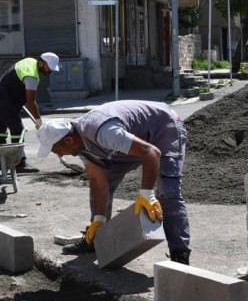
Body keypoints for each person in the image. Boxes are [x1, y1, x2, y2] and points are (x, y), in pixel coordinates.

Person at [36, 100, 191, 265]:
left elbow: (151, 152)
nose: (59, 154)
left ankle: (179, 254)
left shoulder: (105, 133)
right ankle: (97, 238)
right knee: (103, 180)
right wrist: (99, 219)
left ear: (68, 141)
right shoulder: (79, 144)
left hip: (163, 127)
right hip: (135, 137)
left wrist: (147, 195)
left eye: (56, 150)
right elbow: (98, 180)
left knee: (168, 191)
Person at [0, 52, 60, 173]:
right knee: (17, 130)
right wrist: (38, 120)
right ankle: (19, 164)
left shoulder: (30, 61)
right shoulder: (31, 76)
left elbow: (16, 84)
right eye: (49, 68)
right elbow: (30, 102)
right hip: (5, 100)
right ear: (41, 63)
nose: (50, 71)